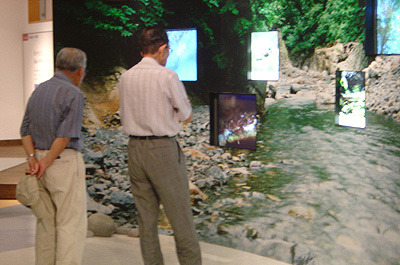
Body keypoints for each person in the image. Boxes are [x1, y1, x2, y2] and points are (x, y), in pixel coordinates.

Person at [118, 28, 202, 265]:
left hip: (134, 150)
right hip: (162, 151)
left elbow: (124, 115)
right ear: (163, 49)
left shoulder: (126, 77)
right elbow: (186, 114)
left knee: (146, 222)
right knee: (181, 219)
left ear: (141, 50)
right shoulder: (168, 77)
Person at [20, 47, 88, 265]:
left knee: (46, 223)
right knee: (70, 223)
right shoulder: (74, 94)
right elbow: (66, 135)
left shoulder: (38, 91)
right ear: (80, 71)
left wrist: (33, 158)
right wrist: (47, 161)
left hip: (37, 164)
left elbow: (25, 129)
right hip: (62, 162)